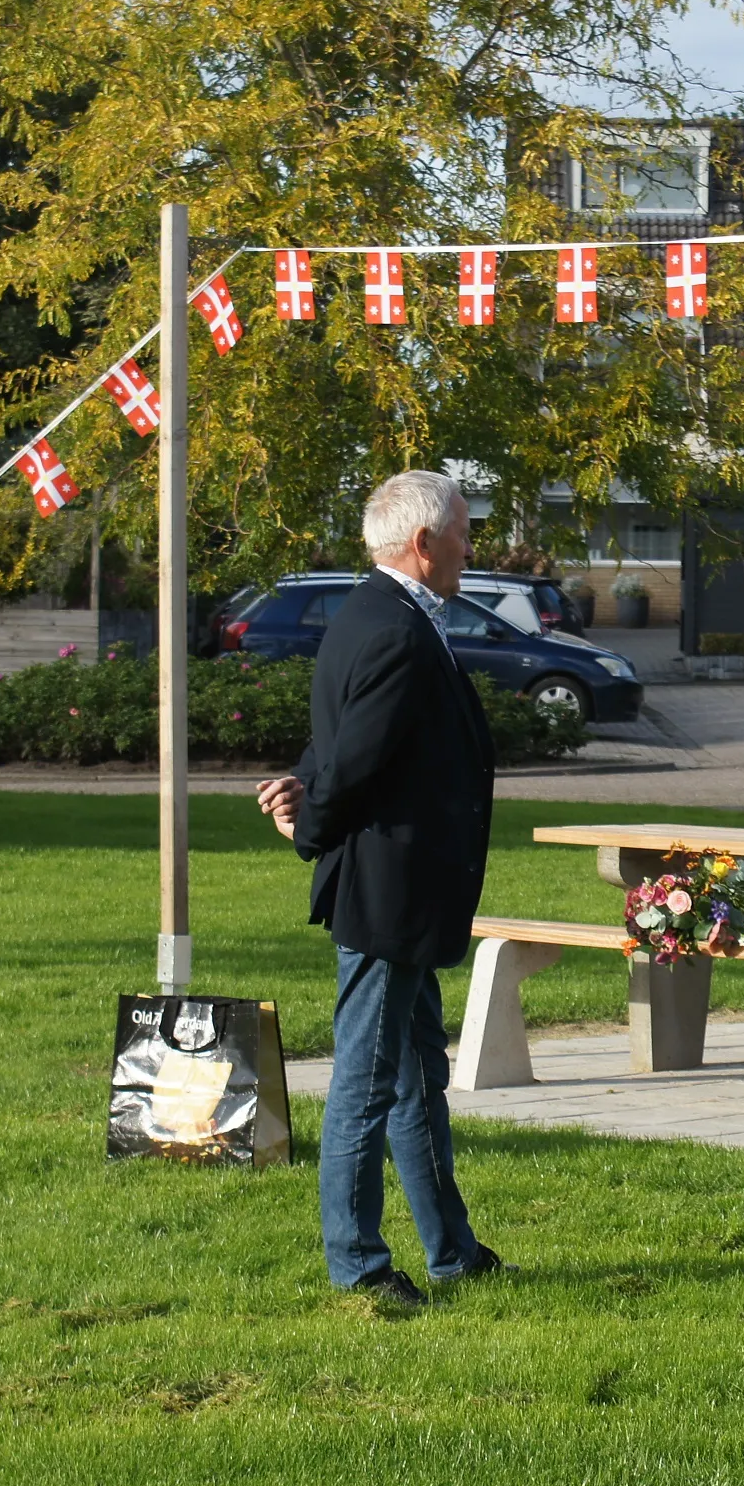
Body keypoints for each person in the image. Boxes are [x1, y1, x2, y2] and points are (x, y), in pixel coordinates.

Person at [254, 470, 503, 1308]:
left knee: (419, 1074)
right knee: (368, 1082)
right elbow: (352, 760)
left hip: (411, 894)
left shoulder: (375, 612)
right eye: (465, 532)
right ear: (425, 543)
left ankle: (451, 1250)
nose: (474, 547)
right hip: (389, 897)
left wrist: (301, 790)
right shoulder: (394, 628)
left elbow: (341, 741)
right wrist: (306, 822)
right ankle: (357, 1264)